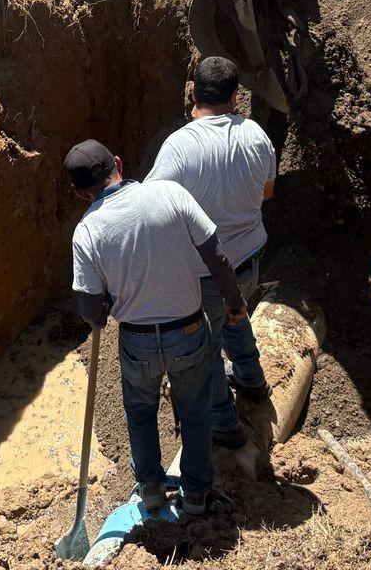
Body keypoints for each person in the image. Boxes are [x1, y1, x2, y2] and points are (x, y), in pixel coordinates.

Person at [67, 138, 248, 516]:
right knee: (196, 412)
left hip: (137, 341)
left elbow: (88, 306)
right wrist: (234, 303)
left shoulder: (87, 231)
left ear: (82, 193)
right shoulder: (170, 194)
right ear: (118, 161)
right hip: (189, 332)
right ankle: (197, 496)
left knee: (140, 412)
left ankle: (150, 490)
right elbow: (216, 257)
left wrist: (100, 314)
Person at [148, 57, 276, 448]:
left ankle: (225, 424)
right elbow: (267, 192)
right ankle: (253, 381)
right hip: (250, 259)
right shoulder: (256, 135)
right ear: (236, 96)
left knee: (208, 346)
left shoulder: (180, 146)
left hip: (206, 273)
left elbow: (155, 206)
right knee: (236, 318)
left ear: (193, 94)